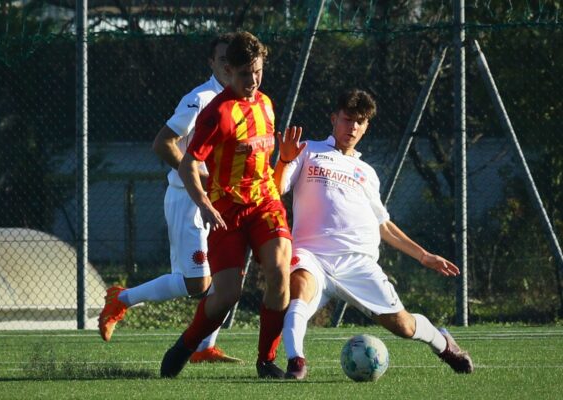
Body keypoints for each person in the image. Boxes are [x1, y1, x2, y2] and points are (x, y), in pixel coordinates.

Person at [274, 88, 474, 380]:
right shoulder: (307, 150)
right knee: (298, 293)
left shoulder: (367, 172)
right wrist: (282, 160)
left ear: (366, 126)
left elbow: (383, 225)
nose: (352, 127)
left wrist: (424, 255)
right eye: (347, 119)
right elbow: (278, 188)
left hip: (358, 263)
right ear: (334, 119)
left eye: (360, 122)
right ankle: (296, 363)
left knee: (404, 327)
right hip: (313, 256)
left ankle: (442, 342)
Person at [98, 33, 242, 364]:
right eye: (223, 61)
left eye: (234, 62)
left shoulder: (243, 102)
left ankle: (204, 347)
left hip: (222, 201)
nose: (230, 68)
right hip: (188, 200)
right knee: (196, 283)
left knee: (227, 276)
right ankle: (122, 298)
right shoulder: (200, 98)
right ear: (212, 63)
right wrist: (197, 174)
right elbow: (164, 143)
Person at [160, 31, 292, 379]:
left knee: (280, 271)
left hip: (265, 203)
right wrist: (203, 202)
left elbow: (260, 160)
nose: (253, 80)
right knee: (227, 294)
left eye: (258, 71)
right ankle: (187, 344)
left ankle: (266, 361)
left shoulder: (266, 104)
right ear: (229, 71)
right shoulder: (216, 113)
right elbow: (189, 162)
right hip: (227, 210)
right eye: (246, 74)